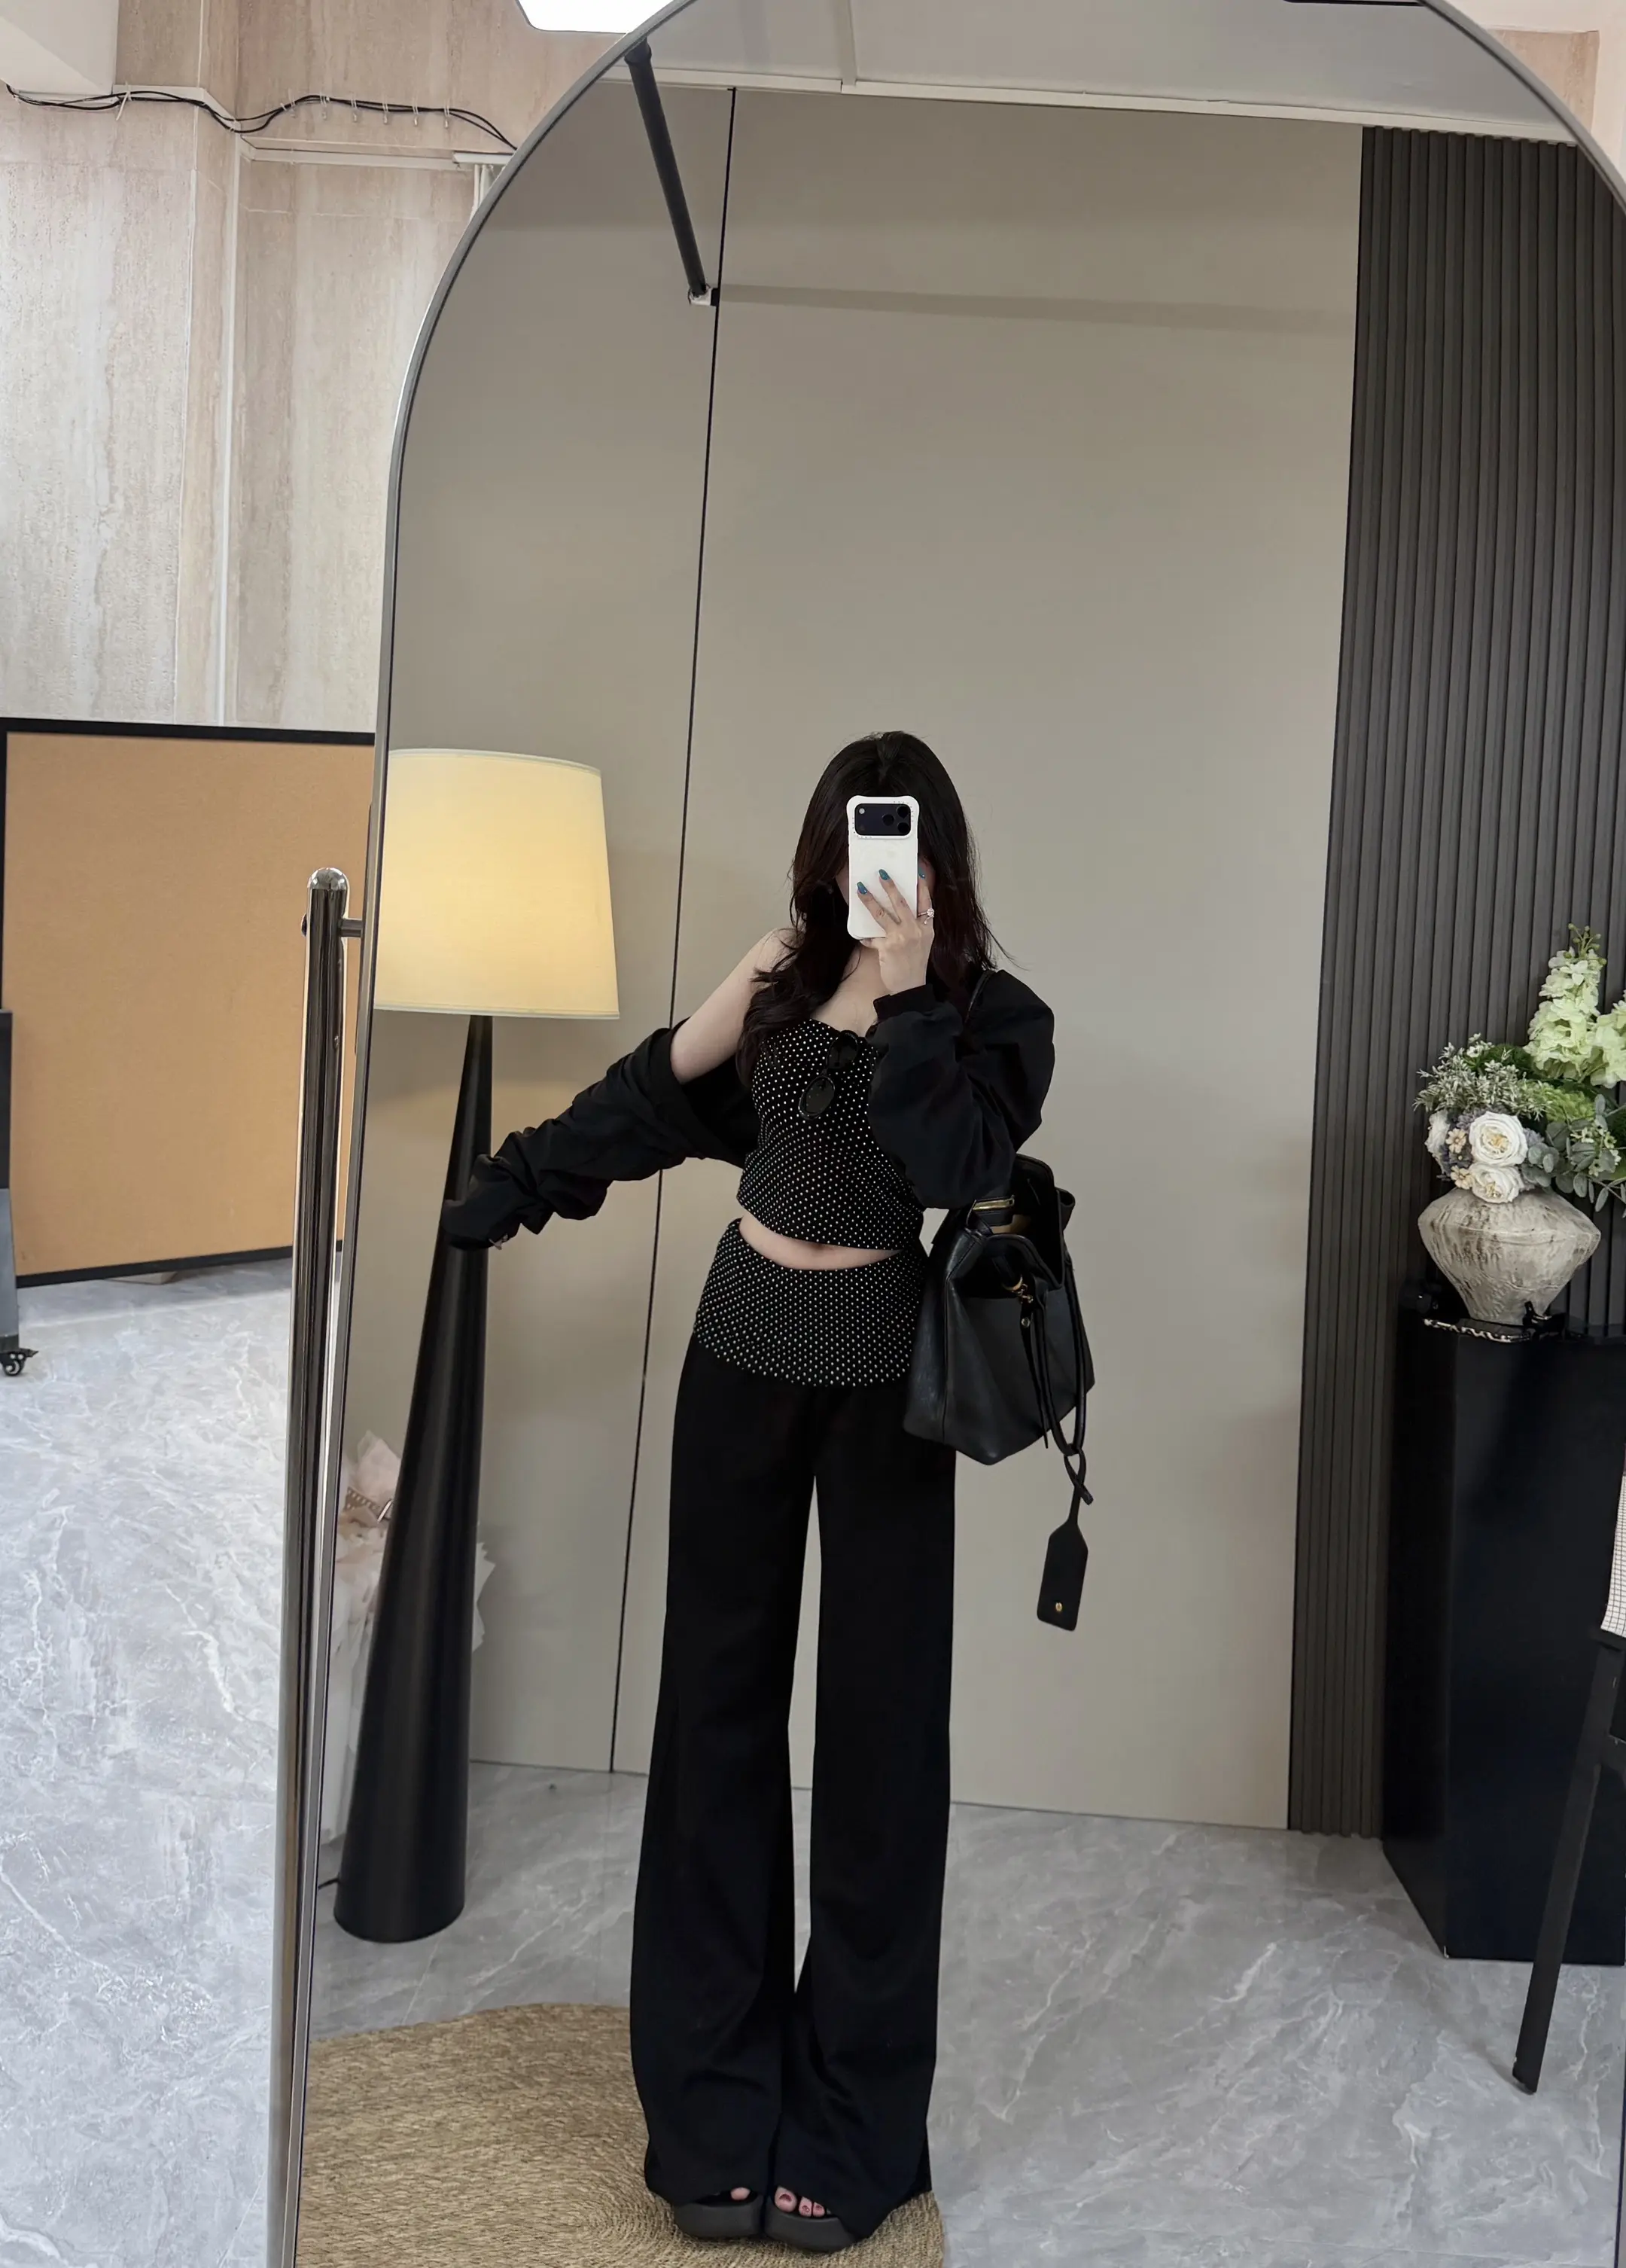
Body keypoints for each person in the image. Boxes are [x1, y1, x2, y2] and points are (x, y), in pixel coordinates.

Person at [443, 730, 1055, 2251]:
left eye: (894, 839)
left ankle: (854, 2130)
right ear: (821, 850)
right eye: (850, 839)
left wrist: (905, 993)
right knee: (714, 1722)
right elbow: (660, 1093)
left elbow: (950, 1163)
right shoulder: (781, 977)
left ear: (941, 855)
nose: (870, 866)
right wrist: (523, 1182)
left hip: (889, 1388)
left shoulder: (992, 1016)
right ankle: (711, 2117)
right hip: (741, 1356)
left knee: (881, 1746)